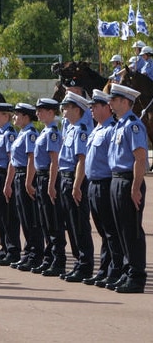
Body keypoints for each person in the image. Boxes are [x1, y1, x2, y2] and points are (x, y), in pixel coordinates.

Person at [106, 84, 147, 293]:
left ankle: (137, 276)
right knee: (120, 230)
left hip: (128, 181)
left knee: (131, 230)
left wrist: (135, 187)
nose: (110, 104)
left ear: (125, 102)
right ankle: (126, 272)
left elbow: (140, 158)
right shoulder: (118, 125)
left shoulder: (133, 125)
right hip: (116, 179)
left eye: (114, 100)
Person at [83, 90, 123, 287]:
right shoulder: (96, 129)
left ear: (107, 108)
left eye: (95, 106)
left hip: (106, 184)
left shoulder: (111, 130)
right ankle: (104, 270)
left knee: (111, 231)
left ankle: (115, 271)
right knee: (102, 231)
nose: (91, 109)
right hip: (93, 184)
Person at [58, 92, 94, 282]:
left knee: (79, 224)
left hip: (74, 179)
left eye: (66, 107)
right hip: (65, 178)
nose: (63, 111)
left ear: (76, 109)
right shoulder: (71, 129)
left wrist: (77, 185)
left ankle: (85, 265)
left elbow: (82, 160)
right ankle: (78, 263)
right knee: (71, 224)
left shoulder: (81, 130)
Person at [5, 103, 43, 271]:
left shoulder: (31, 134)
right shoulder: (22, 134)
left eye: (17, 114)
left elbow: (31, 159)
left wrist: (28, 181)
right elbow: (13, 160)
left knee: (31, 217)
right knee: (24, 217)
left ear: (26, 117)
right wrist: (9, 182)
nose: (14, 117)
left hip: (27, 176)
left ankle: (35, 254)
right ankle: (28, 253)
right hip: (19, 175)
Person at [32, 98, 66, 277]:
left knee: (53, 222)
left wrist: (52, 185)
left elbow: (55, 161)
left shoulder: (52, 133)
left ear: (51, 112)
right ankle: (48, 259)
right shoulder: (44, 131)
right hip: (41, 177)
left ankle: (58, 261)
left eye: (42, 110)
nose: (38, 113)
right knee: (45, 221)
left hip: (48, 178)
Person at [0, 103, 20, 266]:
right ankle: (4, 248)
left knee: (8, 215)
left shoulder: (9, 134)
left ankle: (13, 249)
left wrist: (8, 183)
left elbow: (11, 161)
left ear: (6, 116)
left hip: (5, 175)